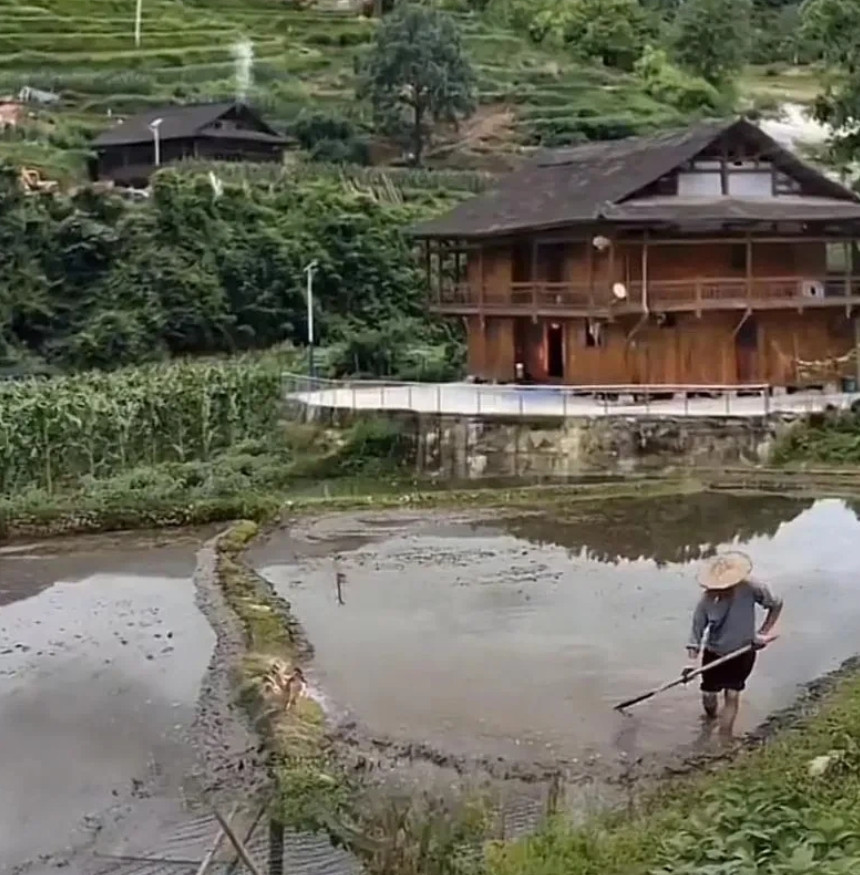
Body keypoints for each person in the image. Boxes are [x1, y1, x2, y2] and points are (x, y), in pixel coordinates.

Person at [685, 551, 783, 735]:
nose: (722, 589)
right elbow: (695, 634)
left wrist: (762, 633)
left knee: (732, 694)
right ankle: (710, 722)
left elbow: (775, 604)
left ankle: (724, 739)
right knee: (708, 695)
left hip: (743, 652)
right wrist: (691, 663)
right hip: (714, 653)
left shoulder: (752, 588)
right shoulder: (706, 602)